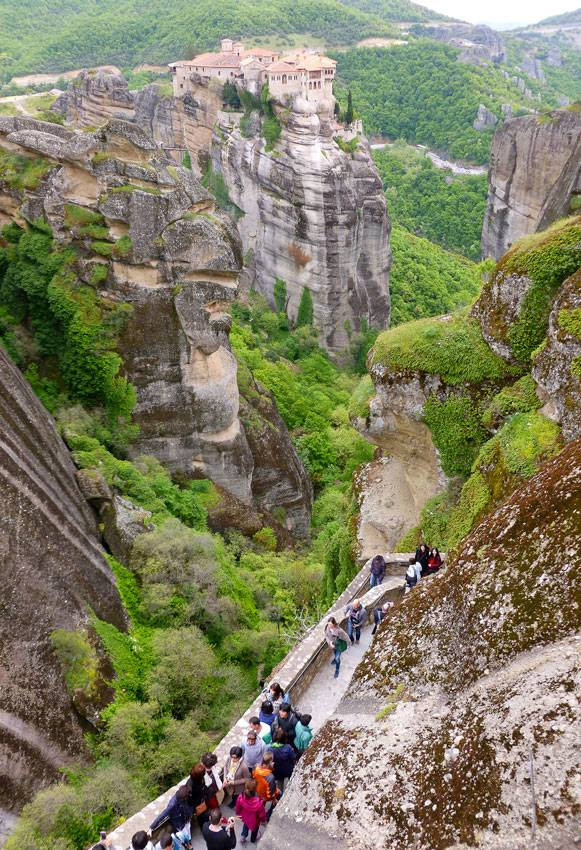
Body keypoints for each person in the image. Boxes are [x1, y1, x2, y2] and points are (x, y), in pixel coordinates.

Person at [235, 779, 266, 844]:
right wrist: (263, 820)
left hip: (245, 817)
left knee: (245, 826)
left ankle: (243, 837)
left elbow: (238, 807)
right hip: (255, 821)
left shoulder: (240, 797)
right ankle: (252, 839)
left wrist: (238, 814)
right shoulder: (259, 803)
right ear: (255, 790)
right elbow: (262, 815)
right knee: (254, 830)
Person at [253, 752, 280, 821]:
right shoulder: (270, 777)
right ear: (270, 762)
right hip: (265, 795)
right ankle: (267, 816)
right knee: (280, 793)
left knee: (260, 805)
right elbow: (271, 792)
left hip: (258, 791)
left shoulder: (256, 768)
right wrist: (274, 799)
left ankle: (258, 814)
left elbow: (254, 778)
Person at [186, 762, 210, 829]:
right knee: (201, 818)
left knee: (205, 816)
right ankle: (204, 829)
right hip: (197, 805)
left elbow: (203, 786)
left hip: (202, 801)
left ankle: (206, 826)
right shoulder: (190, 786)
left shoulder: (200, 779)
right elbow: (189, 799)